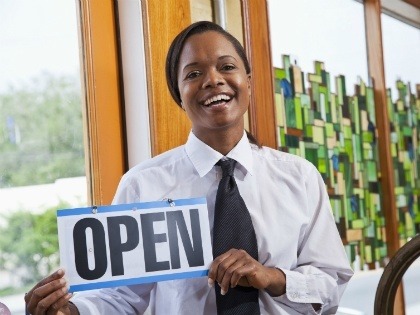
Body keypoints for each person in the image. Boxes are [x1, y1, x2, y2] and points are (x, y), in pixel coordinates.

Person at [25, 21, 353, 314]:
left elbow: (331, 283)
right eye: (193, 74)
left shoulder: (300, 177)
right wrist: (69, 311)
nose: (213, 80)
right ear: (179, 96)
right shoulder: (143, 185)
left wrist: (271, 277)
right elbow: (120, 297)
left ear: (248, 82)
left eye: (227, 67)